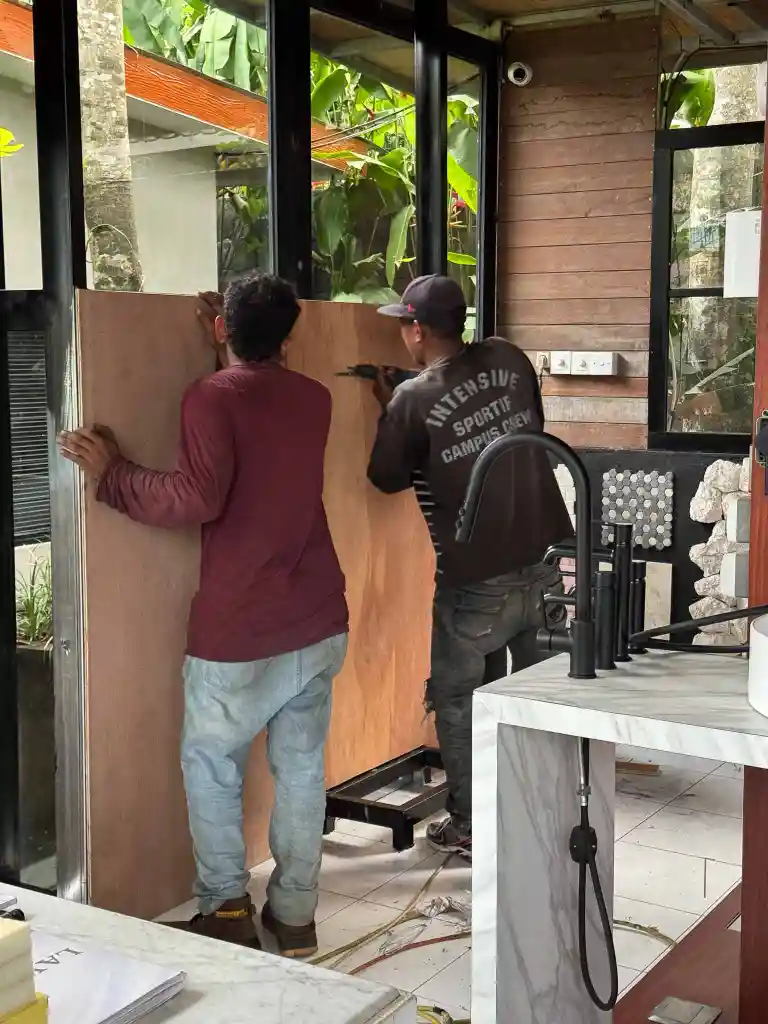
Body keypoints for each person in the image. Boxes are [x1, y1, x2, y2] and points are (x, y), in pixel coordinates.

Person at [58, 273, 348, 955]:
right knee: (301, 770)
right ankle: (296, 917)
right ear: (290, 335)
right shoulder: (315, 399)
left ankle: (225, 912)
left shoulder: (209, 397)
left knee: (213, 764)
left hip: (241, 630)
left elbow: (196, 498)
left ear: (221, 330)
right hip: (316, 617)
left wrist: (114, 472)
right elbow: (261, 408)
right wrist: (233, 352)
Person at [367, 274, 572, 860]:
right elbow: (506, 411)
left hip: (476, 580)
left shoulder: (411, 401)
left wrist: (395, 409)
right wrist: (415, 397)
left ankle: (470, 825)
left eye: (403, 324)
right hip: (547, 561)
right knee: (538, 694)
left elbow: (384, 479)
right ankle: (546, 810)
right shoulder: (509, 356)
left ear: (416, 330)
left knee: (459, 698)